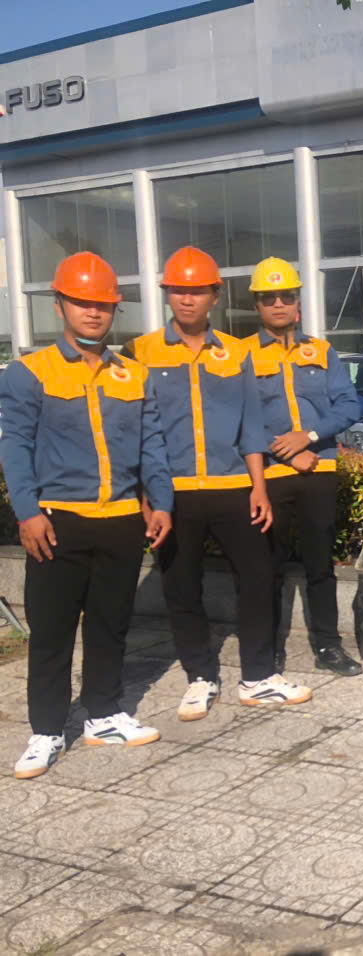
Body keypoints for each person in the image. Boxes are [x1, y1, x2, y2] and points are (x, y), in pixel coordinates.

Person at [0, 253, 173, 778]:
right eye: (82, 302)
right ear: (60, 306)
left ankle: (103, 714)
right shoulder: (30, 372)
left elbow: (151, 445)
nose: (93, 312)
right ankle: (47, 731)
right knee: (51, 631)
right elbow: (15, 445)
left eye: (103, 304)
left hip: (121, 521)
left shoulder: (132, 374)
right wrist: (27, 511)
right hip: (58, 523)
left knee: (109, 625)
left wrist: (161, 500)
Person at [124, 246, 312, 719]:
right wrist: (147, 496)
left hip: (233, 488)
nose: (187, 299)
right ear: (167, 294)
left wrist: (259, 487)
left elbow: (251, 425)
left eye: (197, 291)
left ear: (215, 295)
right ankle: (200, 677)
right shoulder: (140, 353)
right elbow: (135, 432)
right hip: (173, 494)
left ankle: (258, 677)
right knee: (181, 586)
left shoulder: (237, 353)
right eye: (178, 291)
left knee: (258, 577)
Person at [244, 257, 363, 676]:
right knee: (268, 568)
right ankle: (270, 649)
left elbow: (349, 405)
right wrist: (288, 452)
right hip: (270, 476)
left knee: (320, 565)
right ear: (257, 305)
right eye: (269, 297)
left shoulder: (322, 351)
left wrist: (309, 436)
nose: (278, 303)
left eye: (286, 296)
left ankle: (329, 647)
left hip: (319, 471)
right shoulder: (241, 355)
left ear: (298, 301)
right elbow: (238, 418)